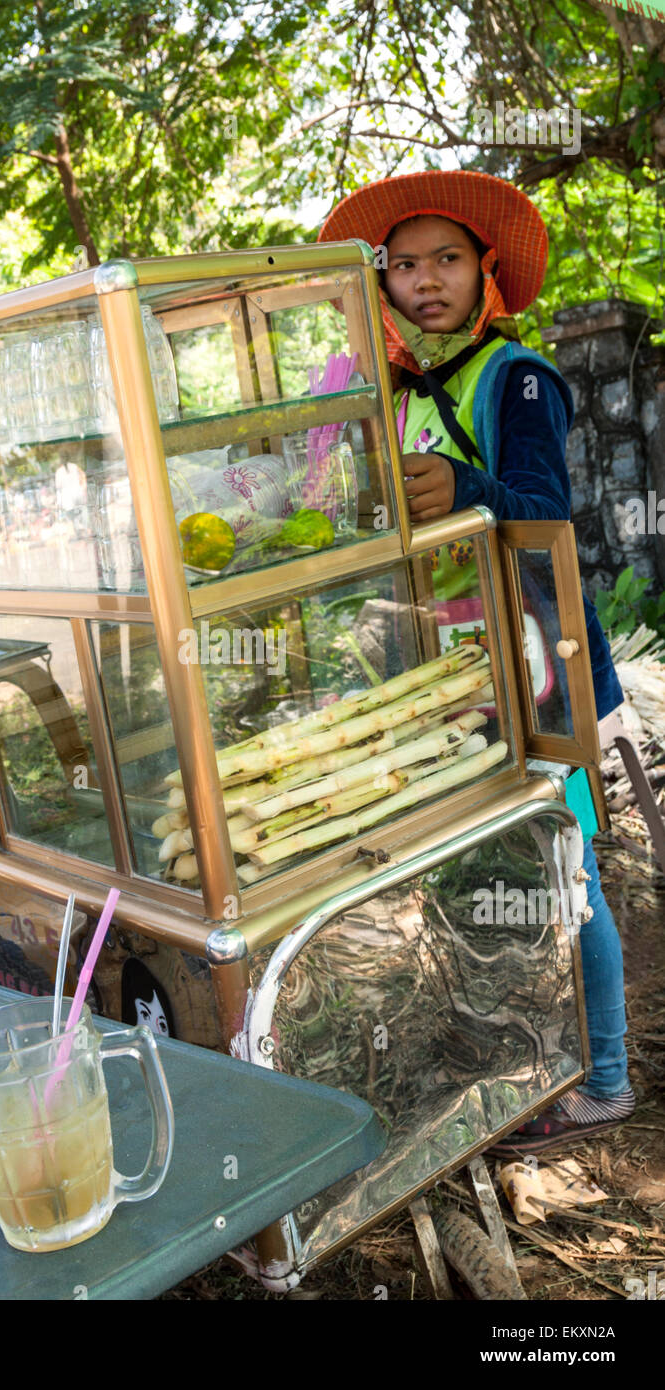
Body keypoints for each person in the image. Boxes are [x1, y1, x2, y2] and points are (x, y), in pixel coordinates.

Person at [319, 169, 635, 1153]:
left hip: (534, 666)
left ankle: (606, 1079)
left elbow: (541, 511)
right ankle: (523, 1046)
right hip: (450, 669)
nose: (422, 280)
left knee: (561, 866)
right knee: (487, 867)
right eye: (402, 264)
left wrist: (459, 480)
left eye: (444, 260)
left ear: (484, 272)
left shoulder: (517, 377)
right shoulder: (397, 388)